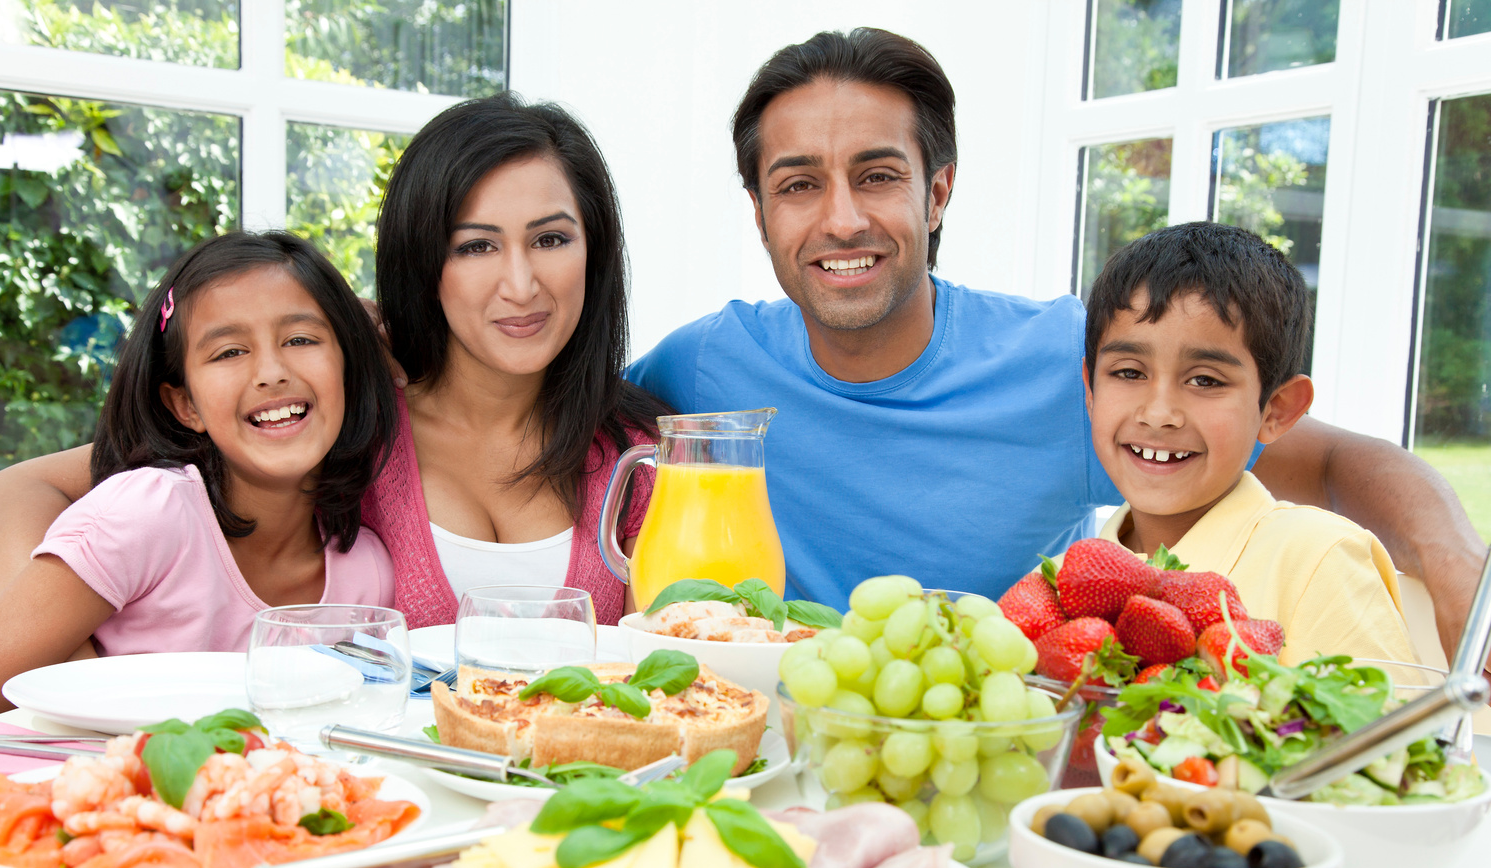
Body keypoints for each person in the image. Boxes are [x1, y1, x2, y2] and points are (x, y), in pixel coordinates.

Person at [627, 27, 1485, 661]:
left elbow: (1330, 464)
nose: (841, 218)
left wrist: (1456, 571)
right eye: (800, 184)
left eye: (878, 175)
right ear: (761, 212)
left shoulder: (1074, 362)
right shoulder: (705, 364)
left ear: (938, 193)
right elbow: (539, 417)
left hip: (995, 754)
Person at [0, 95, 669, 631]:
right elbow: (13, 493)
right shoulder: (343, 420)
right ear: (423, 262)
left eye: (551, 239)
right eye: (475, 247)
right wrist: (64, 658)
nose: (521, 285)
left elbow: (667, 678)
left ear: (594, 253)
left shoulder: (639, 460)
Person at [0, 232, 398, 716]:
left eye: (300, 339)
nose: (271, 371)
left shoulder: (366, 573)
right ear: (186, 404)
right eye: (229, 351)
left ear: (349, 374)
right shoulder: (149, 511)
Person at [1084, 222, 1416, 666]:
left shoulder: (1316, 560)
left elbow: (1388, 733)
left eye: (1205, 380)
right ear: (1090, 390)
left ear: (1276, 409)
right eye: (1129, 372)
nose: (1159, 413)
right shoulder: (1075, 578)